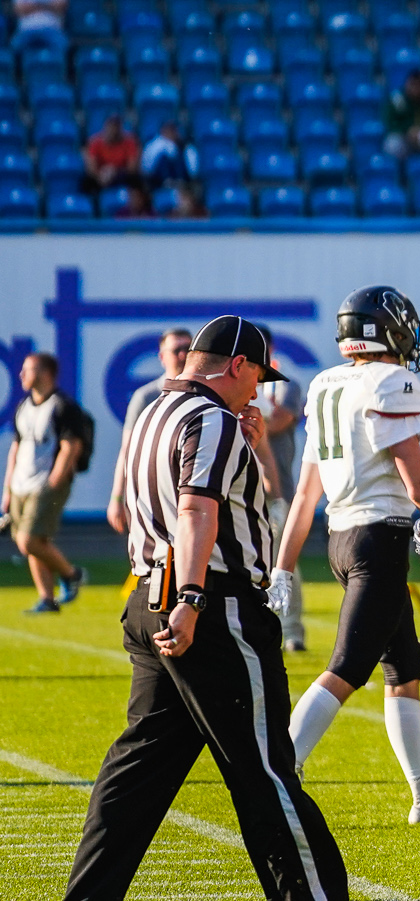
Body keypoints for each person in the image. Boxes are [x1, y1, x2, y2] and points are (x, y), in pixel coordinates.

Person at [65, 316, 350, 901]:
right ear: (236, 365)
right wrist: (192, 600)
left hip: (150, 598)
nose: (258, 392)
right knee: (266, 773)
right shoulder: (210, 418)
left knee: (138, 770)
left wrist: (253, 447)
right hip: (211, 608)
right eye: (257, 378)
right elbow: (197, 511)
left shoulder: (153, 411)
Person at [271, 287, 420, 824]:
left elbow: (306, 495)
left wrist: (282, 567)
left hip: (342, 540)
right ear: (388, 330)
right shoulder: (391, 381)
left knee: (404, 670)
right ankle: (276, 773)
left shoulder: (325, 384)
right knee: (346, 668)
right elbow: (418, 486)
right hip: (378, 542)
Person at [5, 351, 91, 613]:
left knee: (28, 540)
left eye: (28, 369)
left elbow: (71, 445)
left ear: (45, 373)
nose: (21, 374)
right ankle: (47, 598)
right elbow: (16, 447)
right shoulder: (24, 406)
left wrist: (54, 481)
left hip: (45, 483)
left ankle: (71, 574)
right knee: (34, 544)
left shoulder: (62, 406)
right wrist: (7, 486)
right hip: (20, 482)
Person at [109, 327, 193, 535]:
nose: (183, 355)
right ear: (162, 357)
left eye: (188, 349)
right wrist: (117, 496)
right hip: (154, 491)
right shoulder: (146, 397)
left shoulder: (205, 394)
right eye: (176, 350)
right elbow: (127, 449)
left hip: (193, 490)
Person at [254, 335, 307, 651]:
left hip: (278, 487)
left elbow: (276, 422)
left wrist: (255, 407)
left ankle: (292, 630)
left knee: (283, 559)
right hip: (243, 489)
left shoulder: (285, 383)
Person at [82, 114, 141, 197]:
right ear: (105, 126)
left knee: (138, 181)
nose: (113, 130)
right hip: (101, 176)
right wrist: (101, 175)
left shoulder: (130, 141)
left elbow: (132, 168)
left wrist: (114, 172)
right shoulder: (95, 142)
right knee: (86, 182)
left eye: (116, 126)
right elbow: (91, 168)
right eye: (111, 126)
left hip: (121, 175)